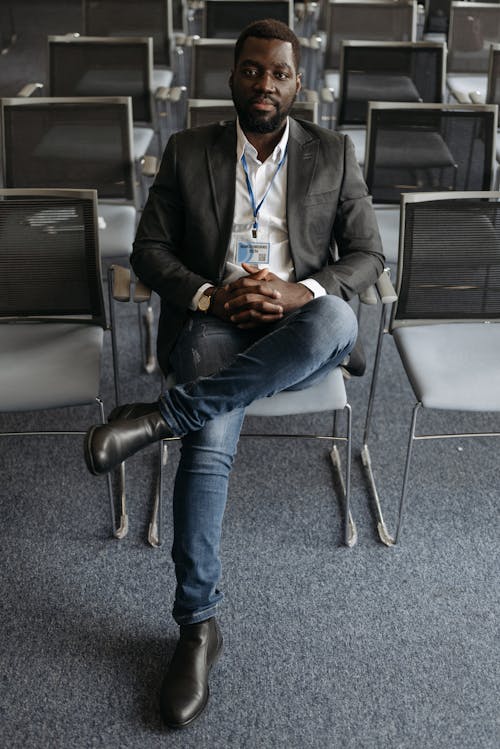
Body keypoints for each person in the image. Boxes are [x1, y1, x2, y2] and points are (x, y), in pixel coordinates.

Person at [84, 19, 384, 729]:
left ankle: (161, 416)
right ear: (232, 77)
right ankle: (197, 626)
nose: (265, 84)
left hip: (301, 321)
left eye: (279, 73)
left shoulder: (333, 153)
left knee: (340, 320)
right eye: (252, 71)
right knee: (209, 453)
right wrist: (211, 294)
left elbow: (368, 255)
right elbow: (149, 249)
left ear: (297, 82)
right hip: (217, 318)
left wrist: (293, 291)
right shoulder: (188, 151)